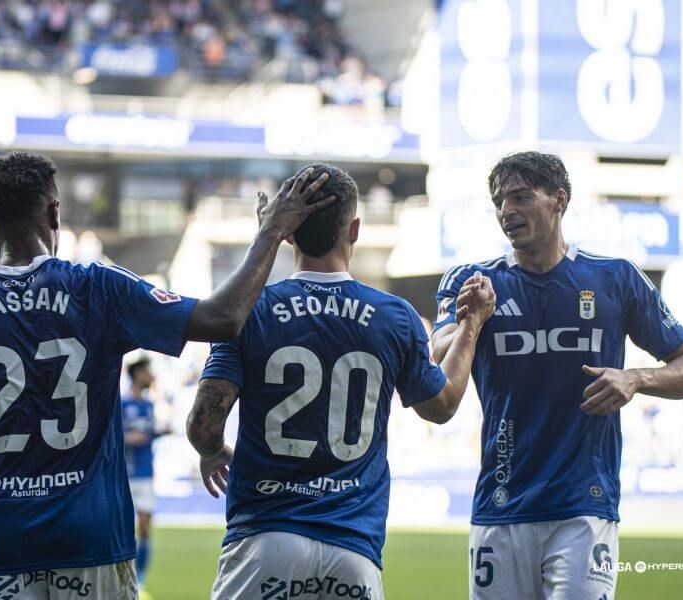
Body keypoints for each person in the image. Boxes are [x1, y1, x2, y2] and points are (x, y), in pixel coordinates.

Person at [0, 152, 336, 600]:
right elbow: (222, 320)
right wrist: (271, 233)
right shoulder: (99, 287)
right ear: (54, 214)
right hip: (90, 544)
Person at [186, 163, 495, 599]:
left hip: (264, 540)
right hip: (351, 550)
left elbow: (203, 427)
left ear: (288, 233)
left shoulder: (247, 312)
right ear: (354, 230)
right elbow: (442, 406)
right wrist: (471, 326)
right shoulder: (394, 316)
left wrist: (213, 451)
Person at [430, 151, 683, 600]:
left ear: (559, 200)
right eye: (500, 201)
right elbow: (436, 359)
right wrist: (474, 319)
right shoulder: (472, 281)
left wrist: (635, 378)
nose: (507, 211)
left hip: (585, 507)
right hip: (500, 506)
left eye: (521, 197)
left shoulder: (614, 278)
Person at [120, 355, 166, 597]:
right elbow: (111, 438)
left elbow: (148, 434)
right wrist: (129, 438)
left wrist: (160, 432)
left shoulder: (149, 405)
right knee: (125, 530)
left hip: (146, 473)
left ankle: (140, 579)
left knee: (146, 528)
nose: (151, 374)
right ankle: (124, 577)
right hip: (126, 475)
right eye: (147, 369)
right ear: (137, 373)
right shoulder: (122, 403)